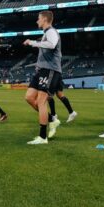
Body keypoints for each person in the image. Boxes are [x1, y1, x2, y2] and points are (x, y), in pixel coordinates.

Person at [23, 11, 63, 145]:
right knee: (29, 97)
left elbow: (51, 45)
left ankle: (42, 137)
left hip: (50, 70)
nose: (37, 21)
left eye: (38, 18)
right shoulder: (46, 33)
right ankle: (52, 119)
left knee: (41, 102)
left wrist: (33, 42)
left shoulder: (51, 31)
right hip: (41, 71)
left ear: (45, 19)